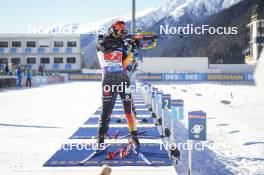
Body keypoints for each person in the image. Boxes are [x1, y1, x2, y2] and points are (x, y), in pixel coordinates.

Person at [96, 21, 140, 151]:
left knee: (128, 112)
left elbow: (126, 65)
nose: (122, 34)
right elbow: (105, 48)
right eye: (120, 31)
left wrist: (132, 51)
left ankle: (134, 136)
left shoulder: (121, 46)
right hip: (108, 80)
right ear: (112, 31)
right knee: (106, 112)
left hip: (122, 79)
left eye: (123, 31)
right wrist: (122, 43)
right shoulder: (101, 41)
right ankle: (101, 137)